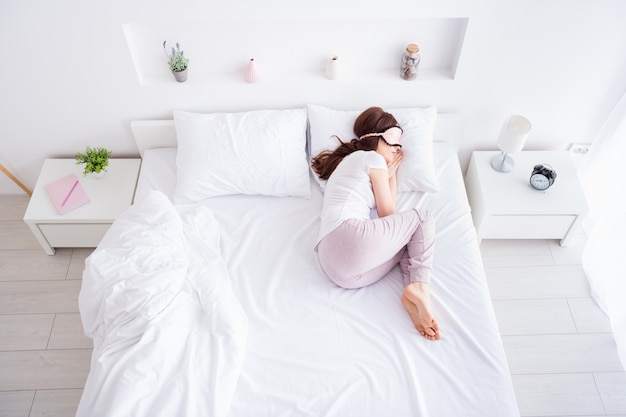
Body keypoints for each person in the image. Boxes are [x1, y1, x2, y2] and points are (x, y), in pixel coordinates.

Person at [312, 107, 440, 340]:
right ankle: (420, 286)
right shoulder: (370, 158)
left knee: (408, 245)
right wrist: (391, 175)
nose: (397, 149)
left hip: (336, 268)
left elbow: (386, 216)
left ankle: (413, 295)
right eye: (393, 142)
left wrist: (388, 175)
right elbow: (388, 213)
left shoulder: (348, 165)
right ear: (376, 137)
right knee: (423, 218)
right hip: (349, 236)